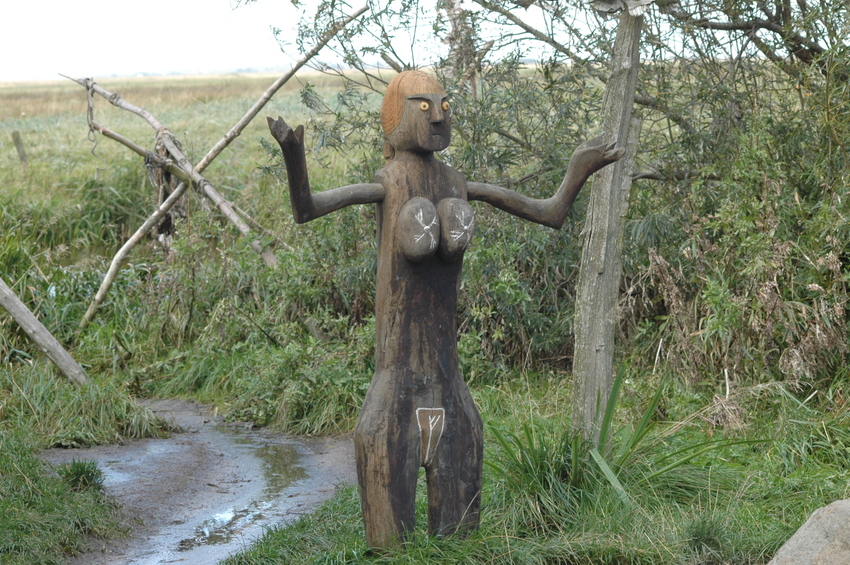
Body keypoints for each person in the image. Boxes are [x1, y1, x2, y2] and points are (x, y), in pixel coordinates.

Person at [268, 70, 622, 548]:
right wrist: (294, 154)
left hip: (448, 382)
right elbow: (307, 207)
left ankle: (454, 552)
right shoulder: (390, 181)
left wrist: (579, 169)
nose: (437, 116)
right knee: (388, 515)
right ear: (395, 117)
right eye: (422, 106)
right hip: (395, 384)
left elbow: (550, 213)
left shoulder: (455, 181)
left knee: (461, 514)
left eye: (444, 106)